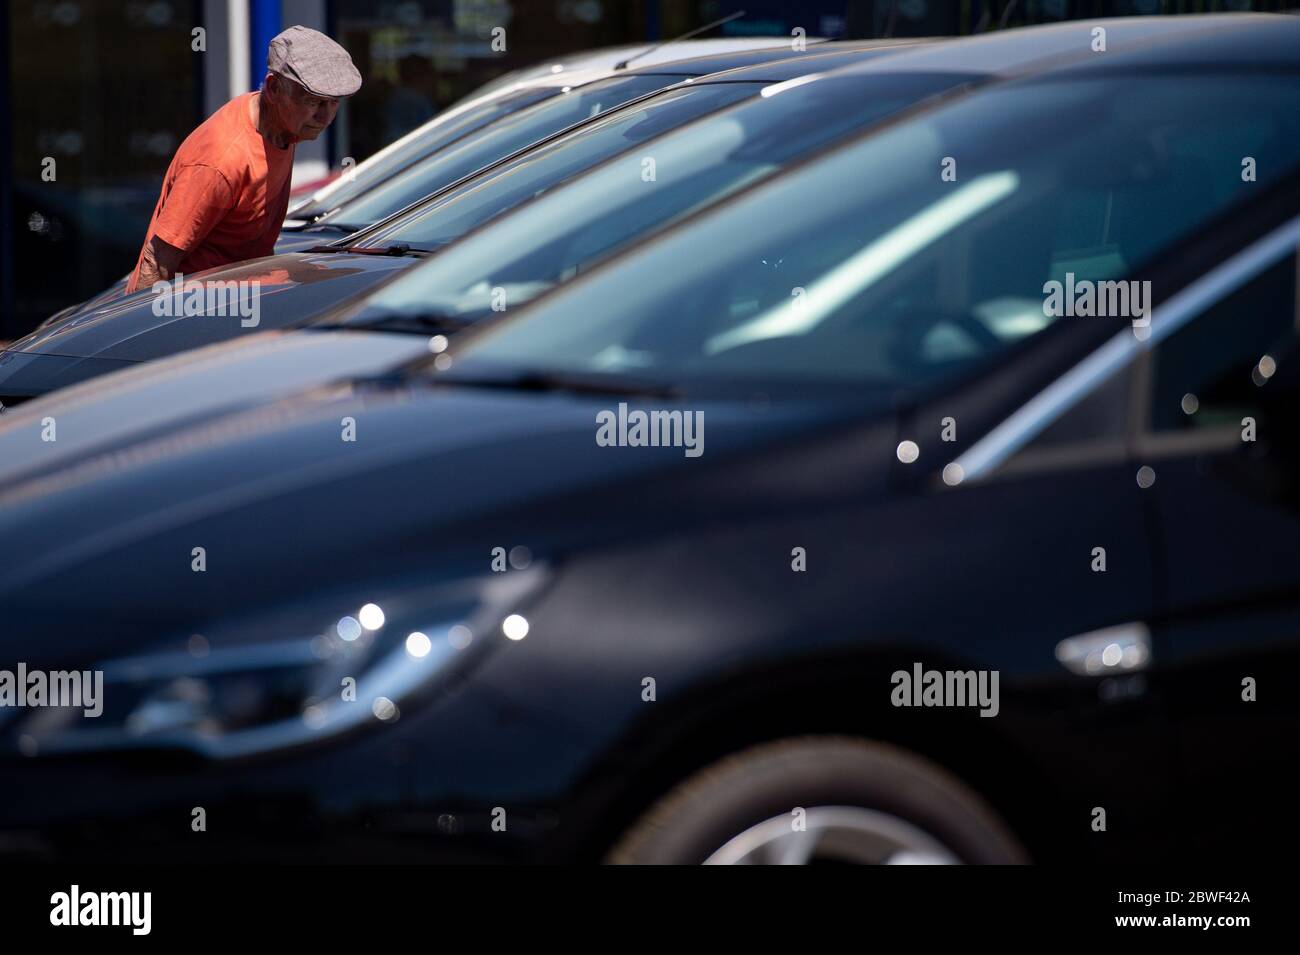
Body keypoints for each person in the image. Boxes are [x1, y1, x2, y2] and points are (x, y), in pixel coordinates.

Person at [126, 25, 361, 294]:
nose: (325, 117)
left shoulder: (282, 125)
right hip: (195, 313)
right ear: (273, 88)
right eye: (312, 102)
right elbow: (156, 262)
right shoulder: (221, 159)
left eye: (334, 102)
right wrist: (144, 333)